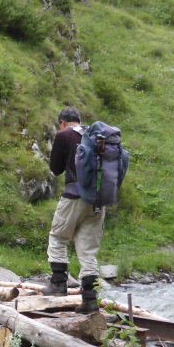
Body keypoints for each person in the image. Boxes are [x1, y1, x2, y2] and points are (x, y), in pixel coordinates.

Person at [44, 107, 102, 311]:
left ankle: (59, 283)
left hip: (74, 196)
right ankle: (90, 300)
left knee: (58, 237)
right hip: (98, 200)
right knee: (88, 250)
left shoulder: (64, 134)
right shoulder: (96, 136)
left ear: (62, 122)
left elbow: (56, 169)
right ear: (80, 120)